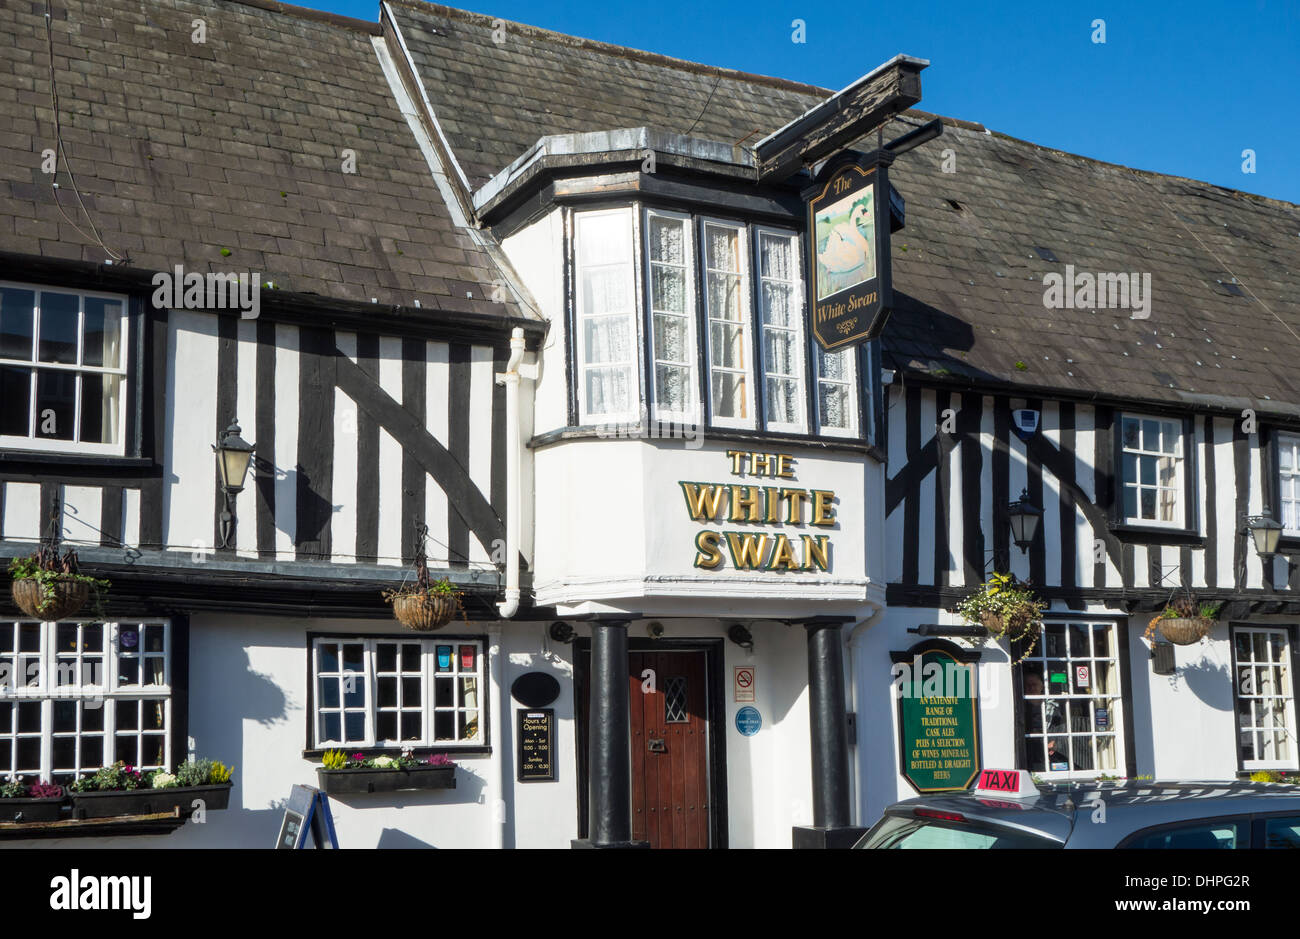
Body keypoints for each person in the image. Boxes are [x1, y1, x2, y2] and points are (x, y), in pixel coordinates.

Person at [1023, 670, 1070, 772]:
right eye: (1027, 685)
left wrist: (1055, 741)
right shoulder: (1020, 707)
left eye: (1034, 684)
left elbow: (1061, 727)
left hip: (1049, 749)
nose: (1031, 688)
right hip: (1026, 749)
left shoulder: (1052, 707)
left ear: (1042, 686)